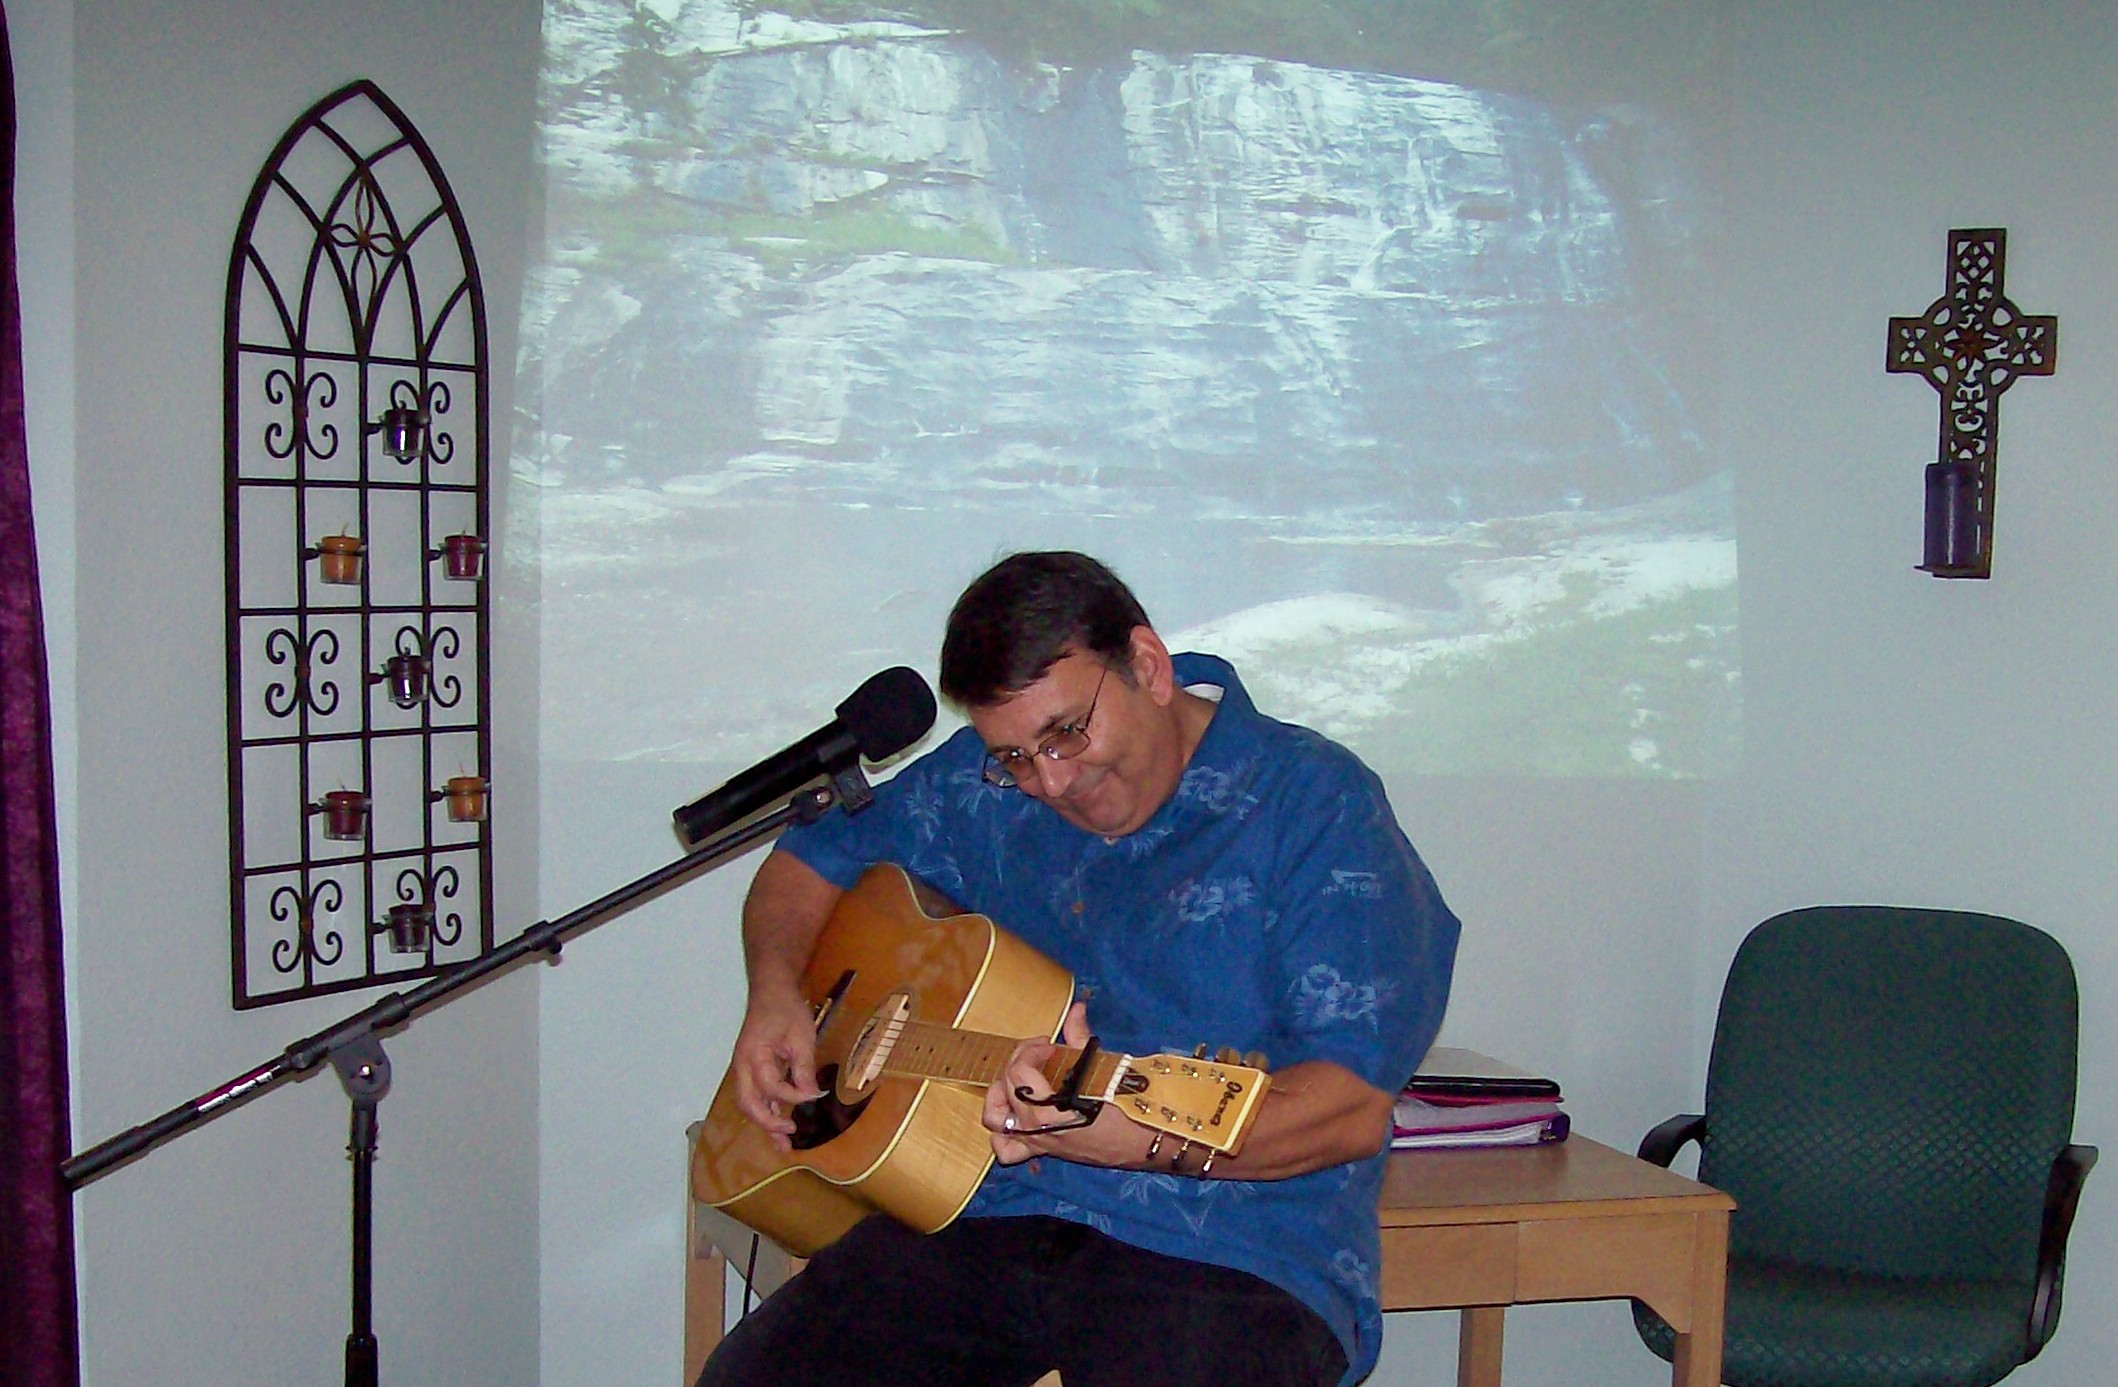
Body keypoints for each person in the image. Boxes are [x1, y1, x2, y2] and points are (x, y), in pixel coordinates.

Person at [700, 551, 1460, 1387]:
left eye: (1066, 733)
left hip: (1234, 1245)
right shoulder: (984, 783)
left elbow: (1348, 1110)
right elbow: (810, 857)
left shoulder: (1316, 804)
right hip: (984, 1211)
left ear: (1148, 663)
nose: (1050, 779)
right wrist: (773, 993)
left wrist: (1140, 1139)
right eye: (1016, 757)